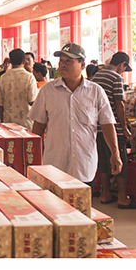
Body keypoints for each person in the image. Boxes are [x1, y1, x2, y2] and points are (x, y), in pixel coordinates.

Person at [28, 42, 122, 184]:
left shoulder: (96, 92)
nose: (63, 65)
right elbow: (38, 126)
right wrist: (34, 155)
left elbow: (107, 124)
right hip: (54, 165)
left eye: (69, 61)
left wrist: (115, 153)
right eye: (61, 61)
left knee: (82, 199)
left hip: (83, 165)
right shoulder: (48, 91)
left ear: (82, 65)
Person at [92, 51, 136, 209]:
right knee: (120, 160)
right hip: (112, 126)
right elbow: (119, 104)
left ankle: (105, 193)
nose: (123, 71)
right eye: (124, 68)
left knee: (103, 160)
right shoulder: (116, 78)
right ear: (122, 64)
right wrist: (124, 127)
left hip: (97, 126)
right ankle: (122, 197)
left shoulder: (97, 76)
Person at [0, 48, 37, 128]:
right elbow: (32, 100)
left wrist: (2, 121)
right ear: (24, 61)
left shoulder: (3, 78)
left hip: (8, 122)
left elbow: (0, 104)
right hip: (25, 123)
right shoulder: (29, 77)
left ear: (10, 61)